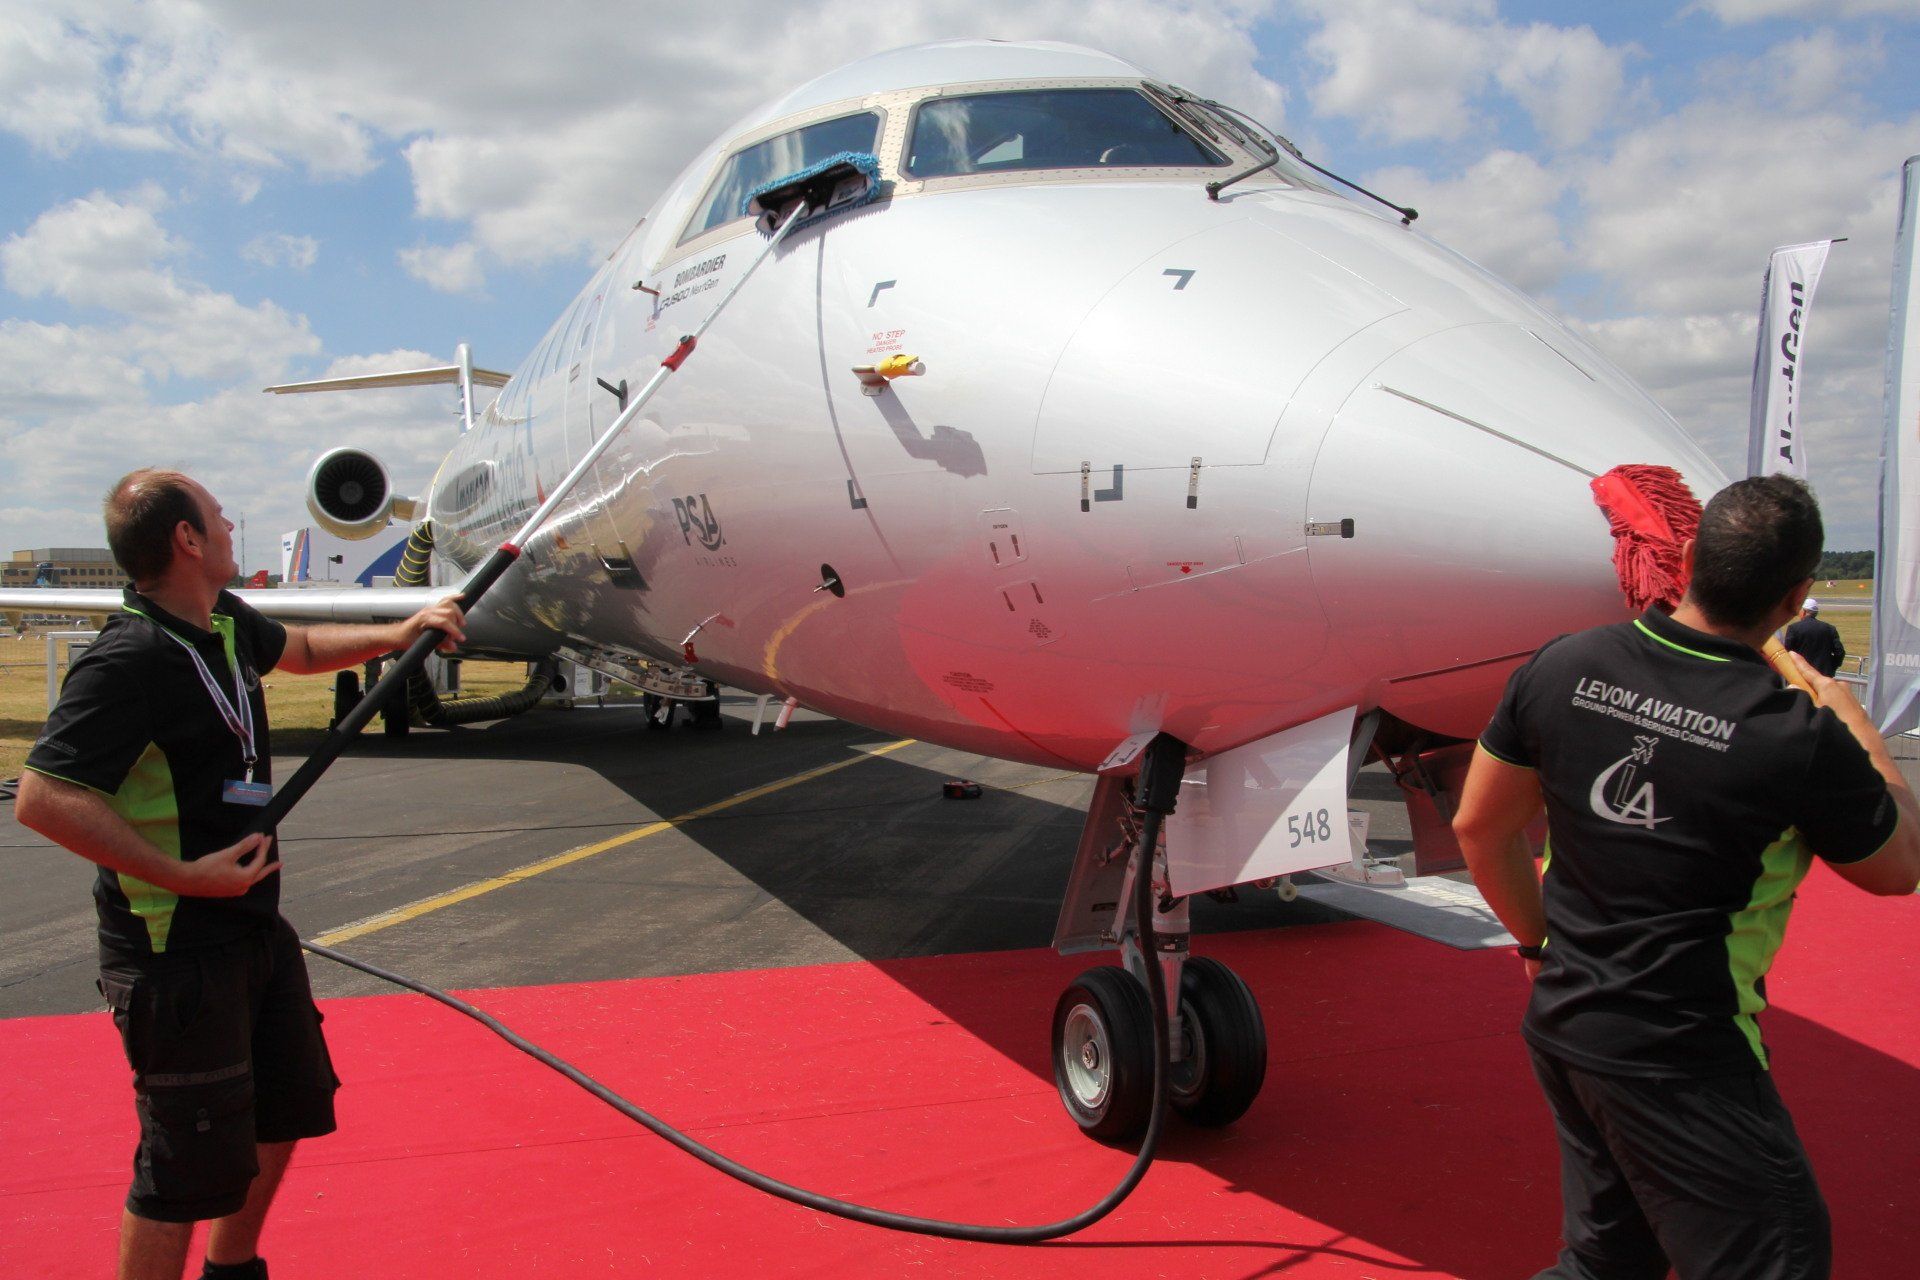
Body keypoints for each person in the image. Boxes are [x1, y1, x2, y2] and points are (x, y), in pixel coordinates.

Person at [1451, 475, 1920, 1280]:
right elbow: (1899, 868)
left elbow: (1478, 827)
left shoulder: (1566, 663)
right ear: (1798, 595)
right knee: (1778, 1255)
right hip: (1685, 1051)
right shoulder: (1797, 735)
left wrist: (1537, 945)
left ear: (1693, 556)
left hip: (1566, 1022)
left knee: (1608, 1263)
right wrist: (1856, 727)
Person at [14, 470, 466, 1280]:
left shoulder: (222, 619)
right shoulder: (128, 659)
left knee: (284, 1110)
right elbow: (45, 798)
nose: (230, 526)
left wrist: (402, 632)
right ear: (187, 539)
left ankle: (232, 1269)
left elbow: (299, 650)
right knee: (180, 1171)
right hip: (175, 949)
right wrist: (181, 875)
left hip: (253, 927)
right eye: (218, 517)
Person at [1783, 597, 1846, 678]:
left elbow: (1787, 652)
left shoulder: (1794, 628)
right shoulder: (1829, 628)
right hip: (1823, 676)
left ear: (1804, 612)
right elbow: (1840, 652)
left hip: (1800, 675)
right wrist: (1831, 667)